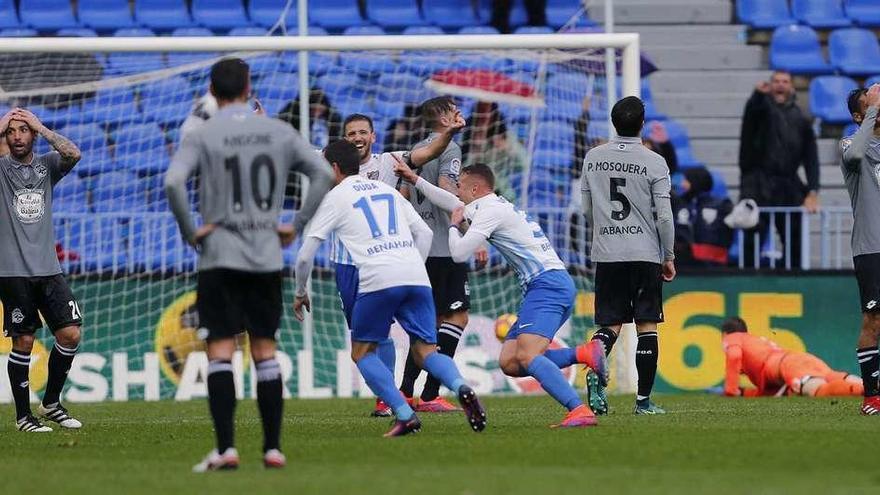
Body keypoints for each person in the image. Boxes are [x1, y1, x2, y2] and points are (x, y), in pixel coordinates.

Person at [165, 58, 334, 471]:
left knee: (221, 351)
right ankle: (273, 449)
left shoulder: (202, 133)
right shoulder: (277, 130)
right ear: (247, 87)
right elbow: (323, 174)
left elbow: (172, 182)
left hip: (219, 255)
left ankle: (226, 449)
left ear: (212, 89)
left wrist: (191, 231)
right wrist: (294, 224)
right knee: (265, 351)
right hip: (265, 254)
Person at [293, 140, 487, 437]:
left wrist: (300, 291)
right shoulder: (388, 191)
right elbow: (422, 232)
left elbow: (307, 252)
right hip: (415, 275)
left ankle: (405, 413)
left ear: (333, 168)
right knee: (426, 351)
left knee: (361, 352)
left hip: (378, 279)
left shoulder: (335, 197)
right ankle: (461, 386)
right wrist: (415, 267)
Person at [395, 161, 608, 428]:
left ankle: (579, 410)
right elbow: (450, 201)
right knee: (510, 361)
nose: (456, 191)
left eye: (460, 186)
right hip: (544, 286)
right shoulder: (488, 205)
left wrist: (453, 226)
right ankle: (584, 353)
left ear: (474, 188)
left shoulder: (490, 211)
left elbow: (460, 253)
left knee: (529, 356)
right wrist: (414, 179)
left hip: (548, 285)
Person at [338, 112, 465, 417]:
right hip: (353, 262)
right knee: (375, 336)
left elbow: (428, 152)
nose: (357, 137)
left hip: (385, 262)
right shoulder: (334, 165)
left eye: (362, 132)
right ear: (345, 139)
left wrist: (447, 134)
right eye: (352, 133)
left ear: (373, 136)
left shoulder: (388, 161)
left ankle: (393, 399)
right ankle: (444, 388)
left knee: (377, 338)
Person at [581, 96, 676, 416]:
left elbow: (587, 209)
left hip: (607, 252)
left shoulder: (593, 157)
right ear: (642, 123)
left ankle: (594, 375)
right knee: (646, 325)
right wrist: (669, 254)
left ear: (613, 122)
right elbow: (664, 216)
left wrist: (602, 233)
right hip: (644, 251)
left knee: (611, 324)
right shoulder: (654, 161)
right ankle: (643, 403)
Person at [397, 96, 486, 413]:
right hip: (444, 248)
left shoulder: (417, 151)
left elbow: (403, 196)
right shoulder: (449, 149)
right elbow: (449, 190)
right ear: (443, 117)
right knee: (457, 318)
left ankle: (407, 392)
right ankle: (431, 394)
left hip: (421, 248)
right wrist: (470, 230)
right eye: (454, 109)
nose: (460, 113)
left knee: (429, 325)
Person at [0, 108, 83, 433]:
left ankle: (51, 402)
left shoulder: (46, 166)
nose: (17, 136)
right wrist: (0, 125)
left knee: (71, 333)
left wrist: (43, 127)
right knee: (23, 340)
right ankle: (23, 418)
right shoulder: (1, 169)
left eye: (24, 130)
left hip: (49, 269)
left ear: (32, 134)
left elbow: (73, 153)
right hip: (12, 271)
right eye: (12, 132)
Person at [738, 71, 820, 269]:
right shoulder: (760, 109)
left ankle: (793, 282)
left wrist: (813, 191)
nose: (780, 85)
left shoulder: (801, 118)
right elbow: (753, 113)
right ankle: (748, 281)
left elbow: (811, 158)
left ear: (791, 87)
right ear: (769, 85)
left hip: (789, 185)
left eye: (784, 82)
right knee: (752, 240)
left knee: (794, 242)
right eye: (776, 81)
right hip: (758, 185)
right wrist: (757, 95)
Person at [841, 84, 880, 415]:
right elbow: (854, 154)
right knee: (873, 320)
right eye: (871, 105)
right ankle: (871, 397)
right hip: (871, 248)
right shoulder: (851, 145)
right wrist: (872, 114)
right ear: (859, 114)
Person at [720, 317, 863, 397]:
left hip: (787, 365)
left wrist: (731, 390)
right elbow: (770, 392)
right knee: (832, 376)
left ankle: (866, 391)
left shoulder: (732, 337)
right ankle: (871, 385)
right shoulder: (754, 341)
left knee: (818, 390)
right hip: (799, 359)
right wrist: (742, 392)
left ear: (725, 334)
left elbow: (734, 356)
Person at [460, 101, 526, 203]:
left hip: (501, 194)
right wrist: (475, 151)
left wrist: (508, 148)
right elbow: (460, 169)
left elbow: (523, 164)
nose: (484, 115)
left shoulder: (505, 136)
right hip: (472, 195)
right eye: (481, 110)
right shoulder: (466, 135)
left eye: (487, 110)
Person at [671, 167, 734, 266]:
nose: (682, 184)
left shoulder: (722, 205)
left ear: (695, 182)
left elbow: (725, 236)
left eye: (686, 180)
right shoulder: (679, 203)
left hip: (712, 263)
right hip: (682, 261)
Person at [277, 88, 343, 149]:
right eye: (313, 109)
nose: (316, 113)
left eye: (320, 110)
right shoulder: (291, 117)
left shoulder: (333, 119)